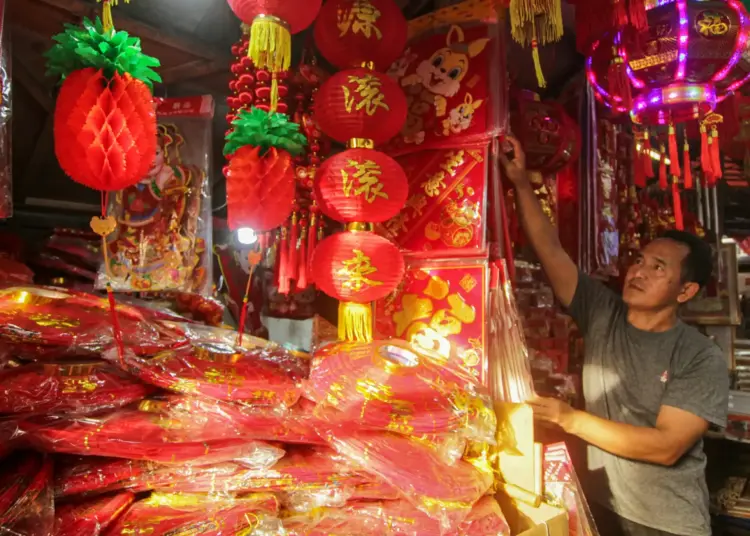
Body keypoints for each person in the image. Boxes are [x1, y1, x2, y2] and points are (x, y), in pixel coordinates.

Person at [499, 136, 729, 536]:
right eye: (639, 260)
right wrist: (520, 182)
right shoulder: (604, 312)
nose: (638, 271)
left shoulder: (699, 358)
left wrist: (569, 419)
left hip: (666, 523)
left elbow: (665, 446)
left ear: (685, 291)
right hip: (599, 505)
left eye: (658, 268)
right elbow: (550, 250)